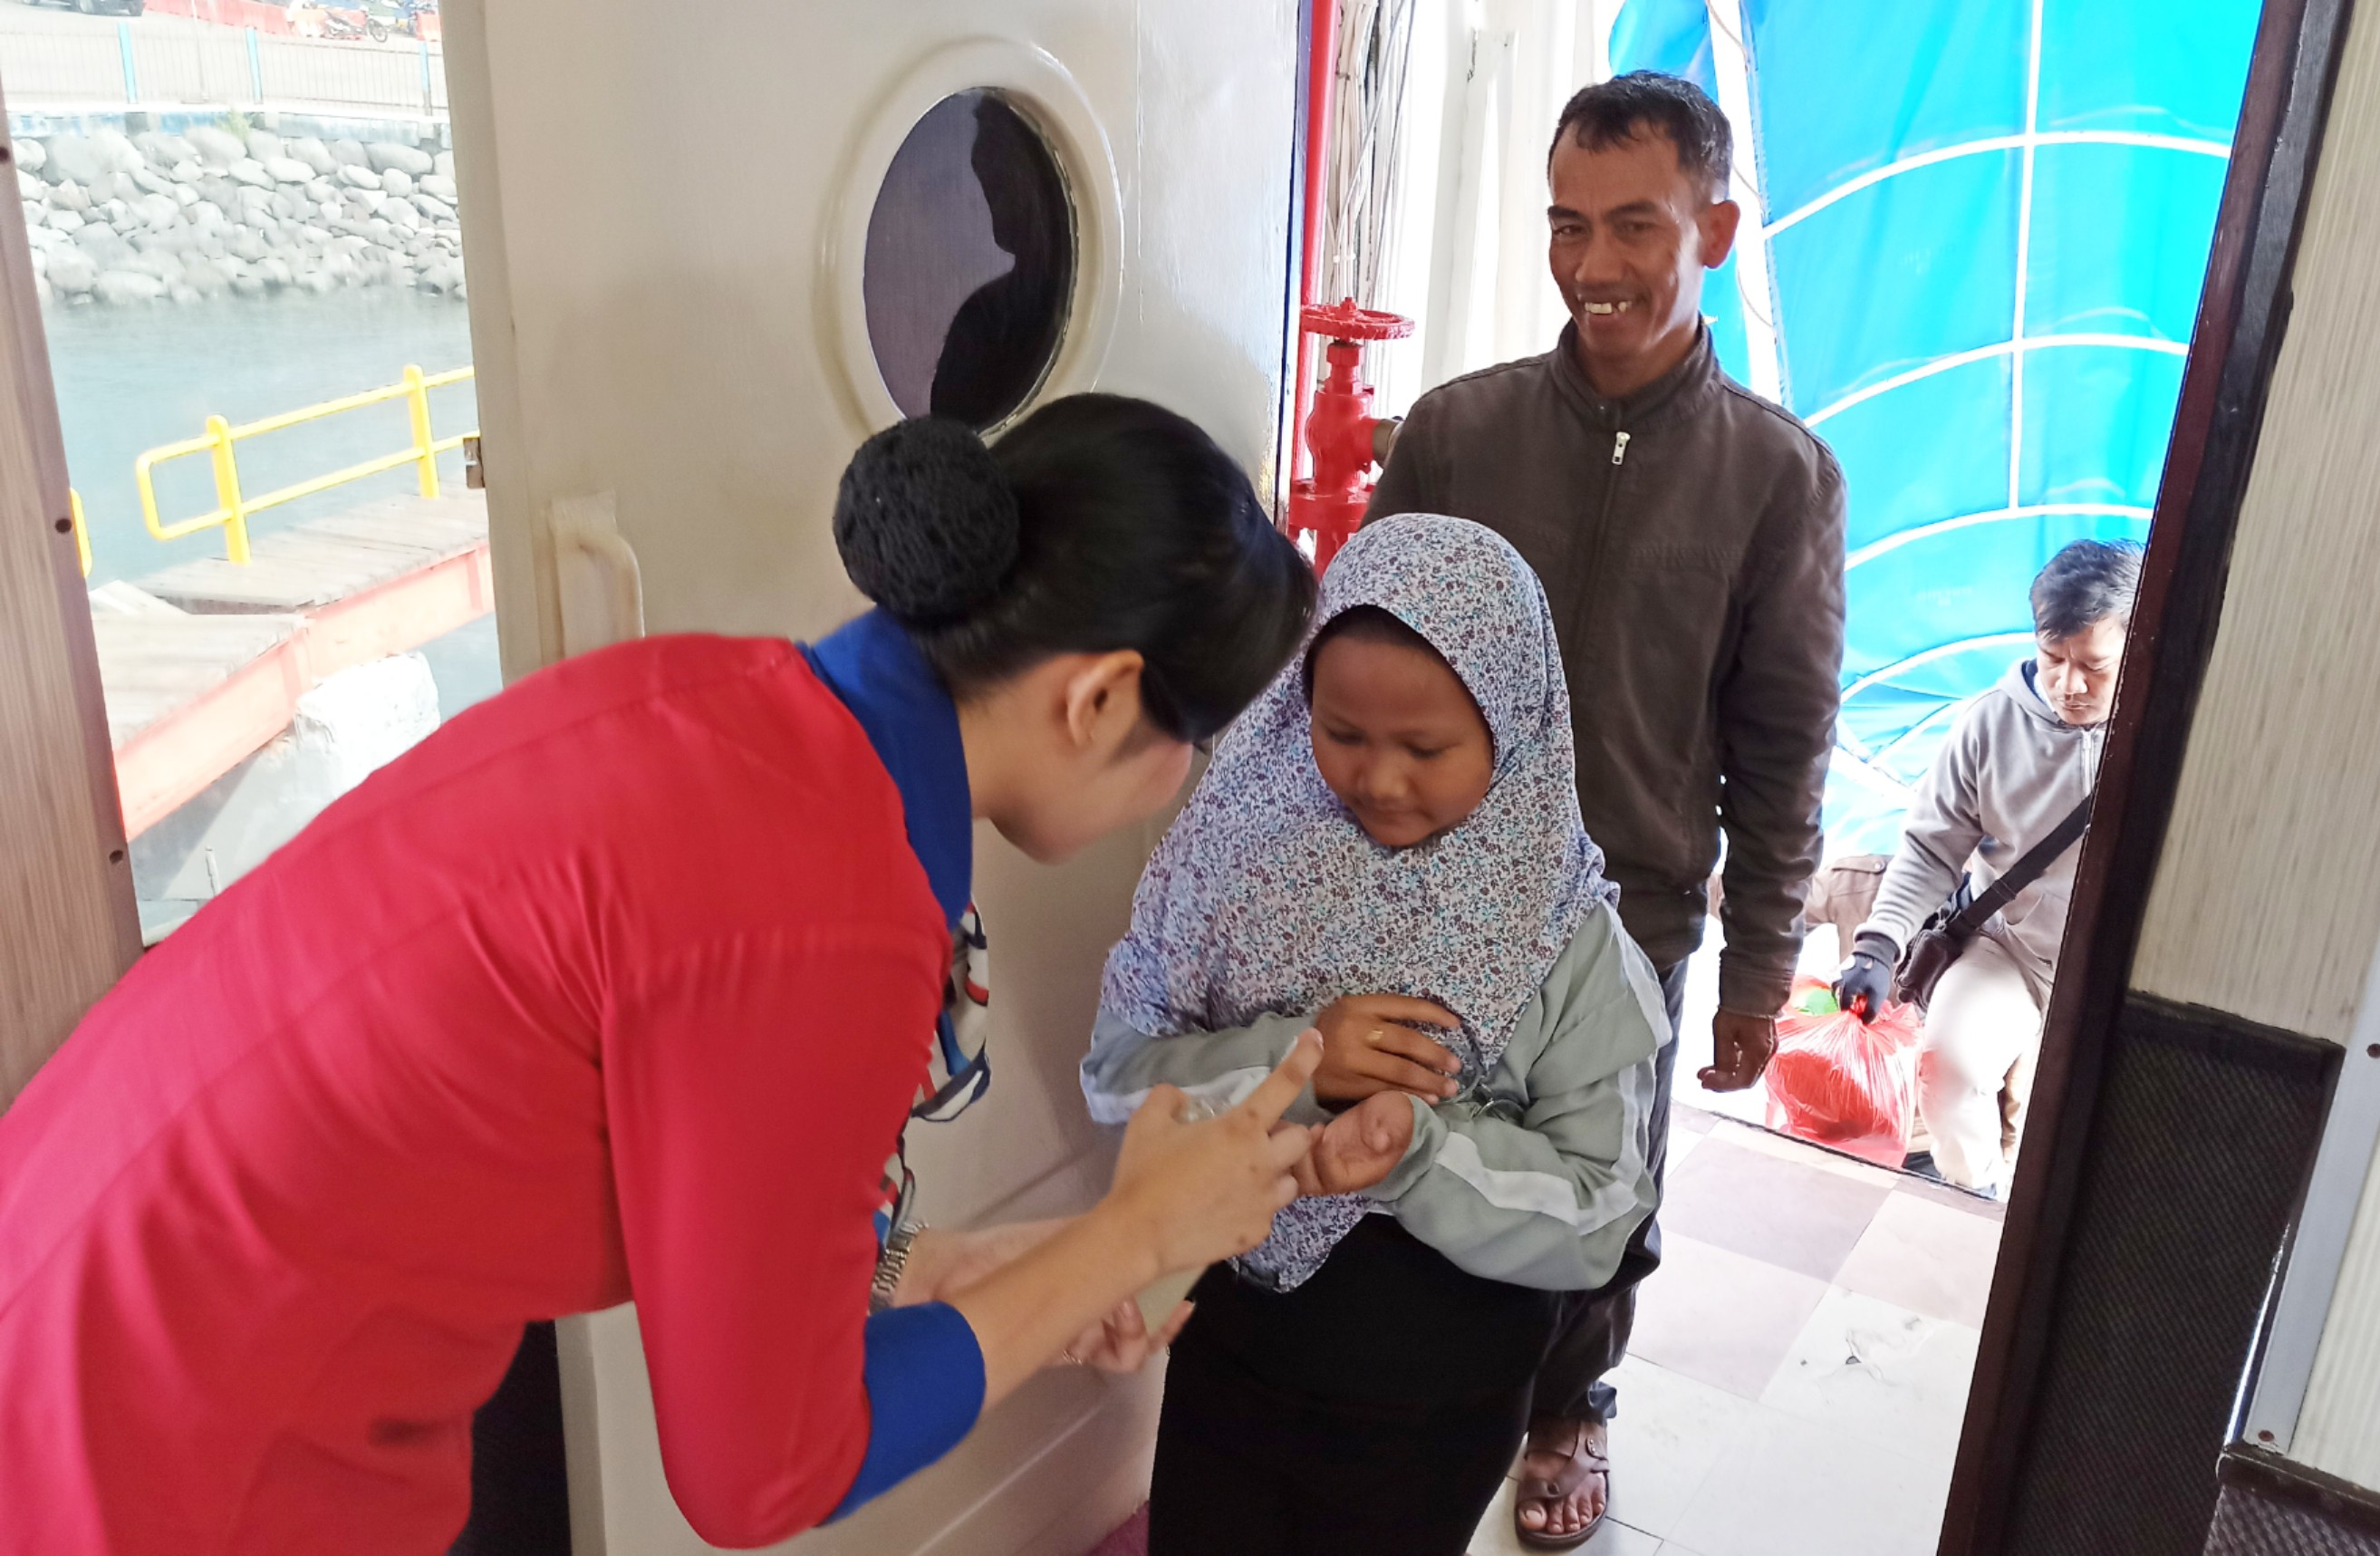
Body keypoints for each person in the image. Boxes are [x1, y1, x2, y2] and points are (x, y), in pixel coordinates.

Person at [0, 398, 1325, 1556]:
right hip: (179, 1448)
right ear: (1098, 699)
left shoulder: (727, 700)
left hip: (76, 1297)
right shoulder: (832, 914)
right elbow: (765, 1470)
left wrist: (1021, 1278)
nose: (1178, 785)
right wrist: (1133, 1234)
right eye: (1190, 746)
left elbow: (755, 1232)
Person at [1364, 72, 1845, 1547]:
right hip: (1433, 888)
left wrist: (1759, 974)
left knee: (1597, 1204)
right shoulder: (1455, 432)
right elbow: (1355, 666)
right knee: (1408, 1153)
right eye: (1566, 226)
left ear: (1712, 223)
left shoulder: (1778, 478)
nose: (1591, 268)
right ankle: (1411, 1392)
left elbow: (1781, 752)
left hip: (1627, 916)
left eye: (1631, 226)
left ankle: (1571, 1409)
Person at [1081, 516, 1671, 1556]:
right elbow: (1118, 1071)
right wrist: (1289, 1059)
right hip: (1230, 1359)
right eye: (1339, 732)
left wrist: (1419, 1150)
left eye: (1426, 747)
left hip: (1430, 1411)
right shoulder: (1234, 856)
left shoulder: (1565, 939)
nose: (1378, 779)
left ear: (1512, 723)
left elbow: (1598, 1215)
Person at [1834, 539, 2140, 1194]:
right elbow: (1928, 848)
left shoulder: (2169, 728)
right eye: (2051, 658)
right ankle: (1980, 1204)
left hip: (2126, 968)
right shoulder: (1987, 725)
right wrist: (1878, 945)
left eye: (2094, 666)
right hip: (2014, 950)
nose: (2068, 684)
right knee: (1945, 1073)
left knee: (2081, 1142)